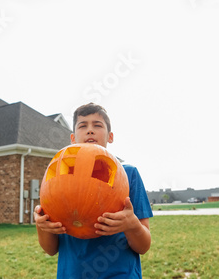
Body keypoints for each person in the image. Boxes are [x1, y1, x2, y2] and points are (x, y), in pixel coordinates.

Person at [34, 103, 153, 278]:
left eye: (97, 125)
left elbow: (144, 246)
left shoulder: (128, 174)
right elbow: (51, 249)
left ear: (110, 136)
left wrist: (132, 224)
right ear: (73, 138)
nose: (90, 130)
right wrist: (42, 226)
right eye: (83, 126)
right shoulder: (61, 173)